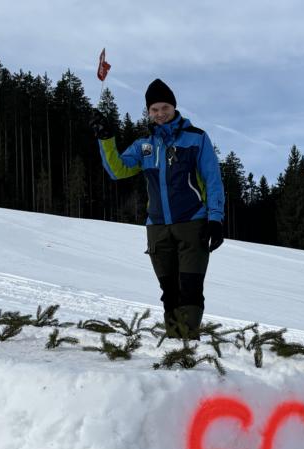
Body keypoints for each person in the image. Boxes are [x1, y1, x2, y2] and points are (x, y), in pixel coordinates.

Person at [90, 78, 225, 339]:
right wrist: (106, 139)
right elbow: (117, 170)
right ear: (148, 112)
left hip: (192, 223)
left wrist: (215, 218)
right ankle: (175, 346)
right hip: (157, 228)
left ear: (174, 107)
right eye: (154, 109)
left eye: (165, 107)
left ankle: (187, 345)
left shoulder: (196, 138)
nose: (160, 113)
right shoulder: (144, 146)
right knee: (169, 292)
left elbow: (213, 179)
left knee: (190, 289)